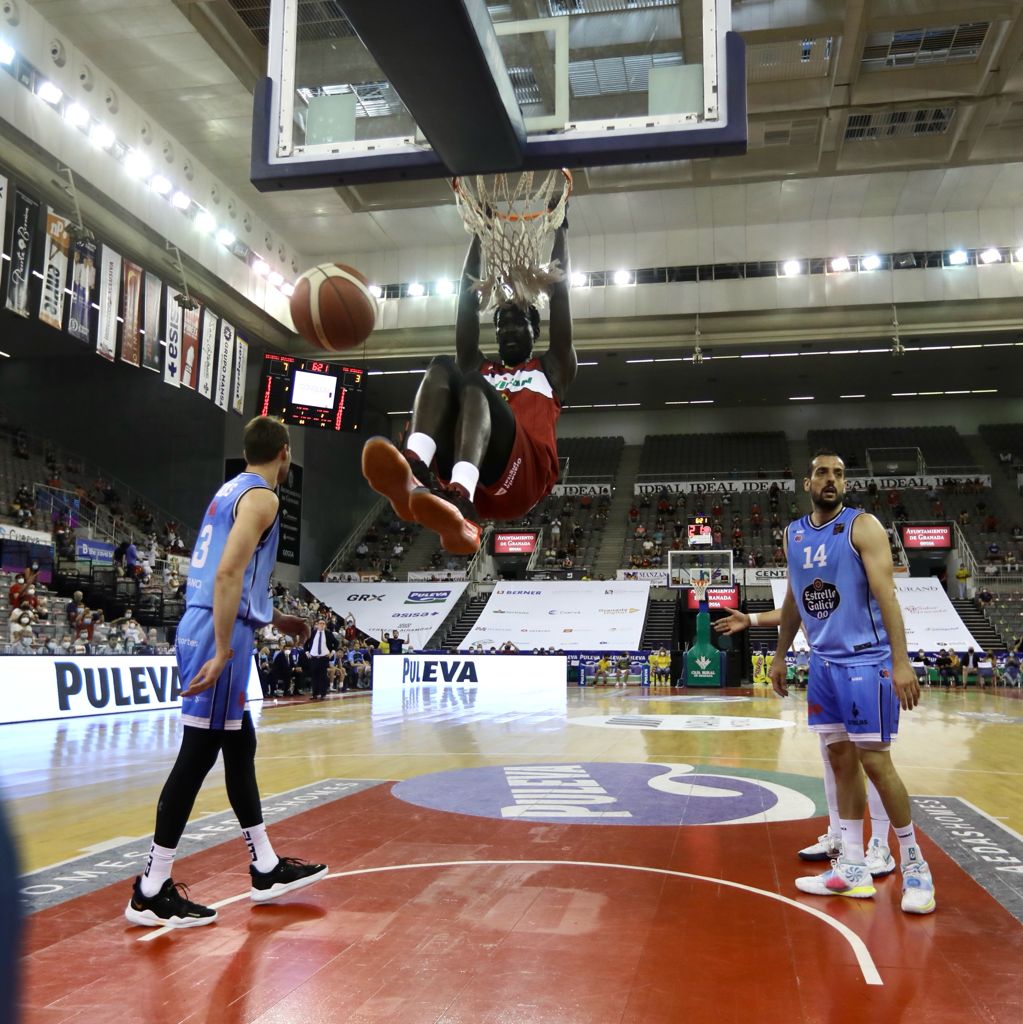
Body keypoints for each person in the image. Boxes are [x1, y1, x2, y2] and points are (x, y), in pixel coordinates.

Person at [125, 416, 326, 929]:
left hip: (218, 620)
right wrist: (221, 649)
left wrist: (272, 616)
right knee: (197, 756)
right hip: (219, 629)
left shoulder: (230, 490)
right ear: (285, 453)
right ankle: (151, 888)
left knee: (241, 746)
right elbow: (228, 570)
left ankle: (265, 865)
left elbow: (234, 566)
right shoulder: (263, 498)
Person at [770, 450, 934, 914]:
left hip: (867, 661)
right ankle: (854, 868)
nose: (831, 479)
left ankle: (916, 866)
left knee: (876, 764)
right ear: (807, 483)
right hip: (822, 664)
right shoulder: (793, 534)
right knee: (839, 760)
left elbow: (887, 596)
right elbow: (794, 598)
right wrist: (781, 655)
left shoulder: (863, 526)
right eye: (822, 472)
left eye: (839, 474)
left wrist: (901, 663)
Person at [361, 209, 574, 555]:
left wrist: (561, 229)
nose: (505, 330)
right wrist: (479, 232)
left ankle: (462, 502)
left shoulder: (551, 368)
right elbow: (466, 301)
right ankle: (414, 469)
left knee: (474, 384)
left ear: (535, 328)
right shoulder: (482, 367)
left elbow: (562, 295)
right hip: (475, 469)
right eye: (500, 324)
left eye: (515, 322)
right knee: (444, 366)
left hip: (523, 478)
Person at [304, 617, 337, 700]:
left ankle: (323, 694)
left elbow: (336, 643)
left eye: (323, 623)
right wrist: (307, 652)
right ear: (317, 625)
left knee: (323, 676)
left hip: (324, 657)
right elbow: (305, 643)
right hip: (314, 657)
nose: (322, 625)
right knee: (314, 676)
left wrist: (332, 652)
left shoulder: (328, 633)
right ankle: (315, 694)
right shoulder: (312, 633)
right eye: (320, 623)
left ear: (325, 625)